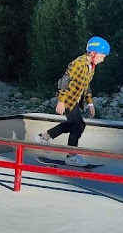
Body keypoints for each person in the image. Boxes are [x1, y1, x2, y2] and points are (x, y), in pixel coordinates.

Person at [34, 36, 111, 166]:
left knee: (76, 125)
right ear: (93, 53)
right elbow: (64, 81)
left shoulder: (91, 67)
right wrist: (61, 101)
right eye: (102, 56)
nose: (102, 60)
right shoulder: (78, 63)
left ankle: (44, 137)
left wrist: (90, 103)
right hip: (68, 100)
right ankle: (71, 156)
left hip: (75, 100)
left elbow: (87, 86)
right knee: (78, 125)